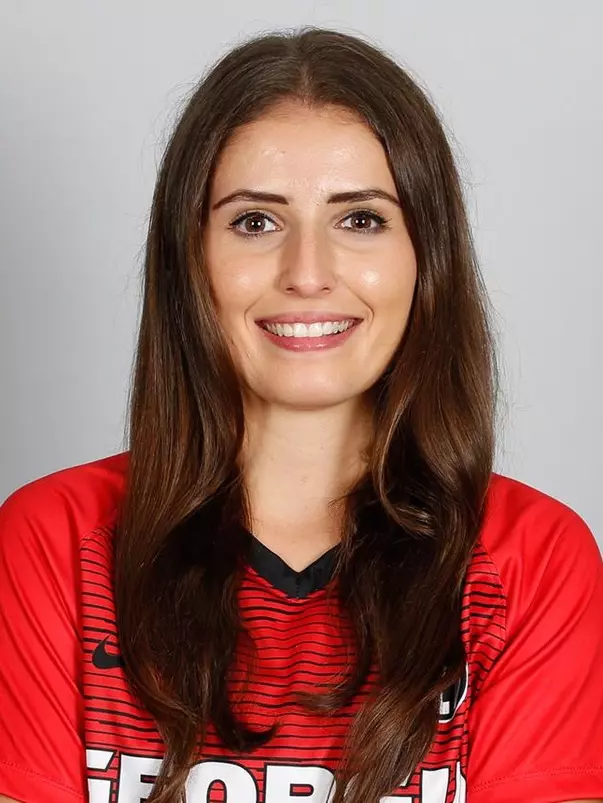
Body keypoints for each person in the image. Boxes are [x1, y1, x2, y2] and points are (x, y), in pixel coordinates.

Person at [0, 25, 602, 803]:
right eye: (255, 221)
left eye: (360, 219)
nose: (307, 273)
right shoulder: (53, 543)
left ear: (426, 258)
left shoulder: (530, 560)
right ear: (190, 260)